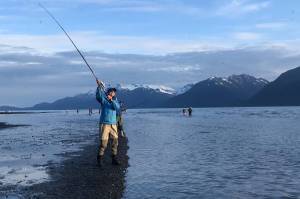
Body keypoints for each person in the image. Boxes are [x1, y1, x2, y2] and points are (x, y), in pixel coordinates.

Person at [96, 80, 121, 167]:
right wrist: (99, 86)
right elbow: (98, 96)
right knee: (103, 143)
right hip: (104, 124)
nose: (113, 92)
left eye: (114, 92)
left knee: (115, 141)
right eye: (111, 91)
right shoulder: (103, 100)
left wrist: (112, 100)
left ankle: (114, 158)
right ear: (108, 92)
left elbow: (117, 108)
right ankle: (99, 158)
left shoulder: (116, 101)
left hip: (113, 124)